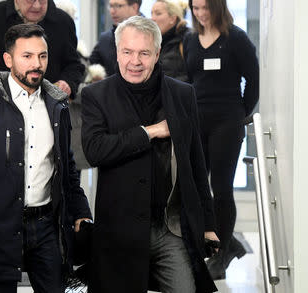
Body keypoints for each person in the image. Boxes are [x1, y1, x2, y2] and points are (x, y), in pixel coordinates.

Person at [0, 24, 92, 293]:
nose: (37, 64)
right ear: (8, 59)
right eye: (27, 56)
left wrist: (80, 212)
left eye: (42, 56)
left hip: (47, 225)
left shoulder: (58, 106)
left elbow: (66, 167)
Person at [81, 16, 219, 293]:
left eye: (144, 53)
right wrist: (150, 132)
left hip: (172, 229)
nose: (135, 61)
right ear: (116, 53)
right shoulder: (96, 95)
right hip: (121, 232)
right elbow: (95, 151)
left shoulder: (182, 94)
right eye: (128, 52)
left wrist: (208, 224)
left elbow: (195, 163)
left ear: (157, 54)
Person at [183, 0, 259, 280]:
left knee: (221, 188)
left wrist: (240, 114)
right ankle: (212, 243)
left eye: (206, 8)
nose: (201, 14)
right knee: (197, 187)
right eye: (196, 8)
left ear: (218, 7)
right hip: (197, 121)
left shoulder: (236, 39)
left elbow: (253, 80)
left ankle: (222, 252)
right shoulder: (190, 40)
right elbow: (189, 80)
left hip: (227, 122)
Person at [0, 0, 84, 99]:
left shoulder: (64, 21)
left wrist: (67, 82)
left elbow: (73, 65)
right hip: (0, 103)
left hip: (48, 106)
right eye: (30, 0)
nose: (37, 6)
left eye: (42, 1)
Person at [89, 0, 142, 77]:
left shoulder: (152, 35)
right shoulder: (105, 39)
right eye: (111, 6)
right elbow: (90, 67)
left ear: (134, 7)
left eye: (118, 6)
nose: (112, 11)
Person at [151, 0, 189, 82]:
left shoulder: (187, 39)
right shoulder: (153, 42)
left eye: (158, 13)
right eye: (152, 13)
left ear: (173, 18)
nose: (152, 18)